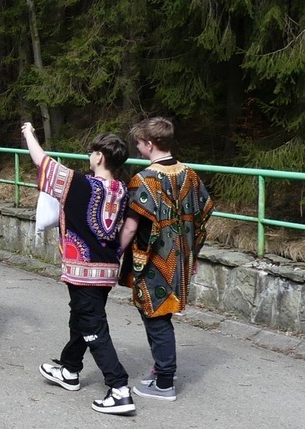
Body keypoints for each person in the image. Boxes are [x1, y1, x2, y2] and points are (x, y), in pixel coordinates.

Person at [21, 122, 135, 415]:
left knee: (93, 325)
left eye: (91, 152)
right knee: (82, 317)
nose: (89, 156)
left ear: (99, 157)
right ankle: (69, 369)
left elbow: (42, 162)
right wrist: (115, 253)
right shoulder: (121, 189)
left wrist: (29, 134)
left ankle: (119, 388)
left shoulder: (81, 184)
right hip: (106, 268)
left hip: (82, 269)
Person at [119, 117, 214, 401]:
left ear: (149, 144)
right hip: (181, 257)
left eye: (138, 143)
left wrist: (112, 253)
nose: (137, 148)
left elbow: (132, 226)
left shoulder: (143, 179)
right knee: (160, 315)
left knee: (156, 317)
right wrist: (193, 253)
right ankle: (161, 369)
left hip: (155, 262)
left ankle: (164, 381)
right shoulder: (190, 174)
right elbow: (203, 215)